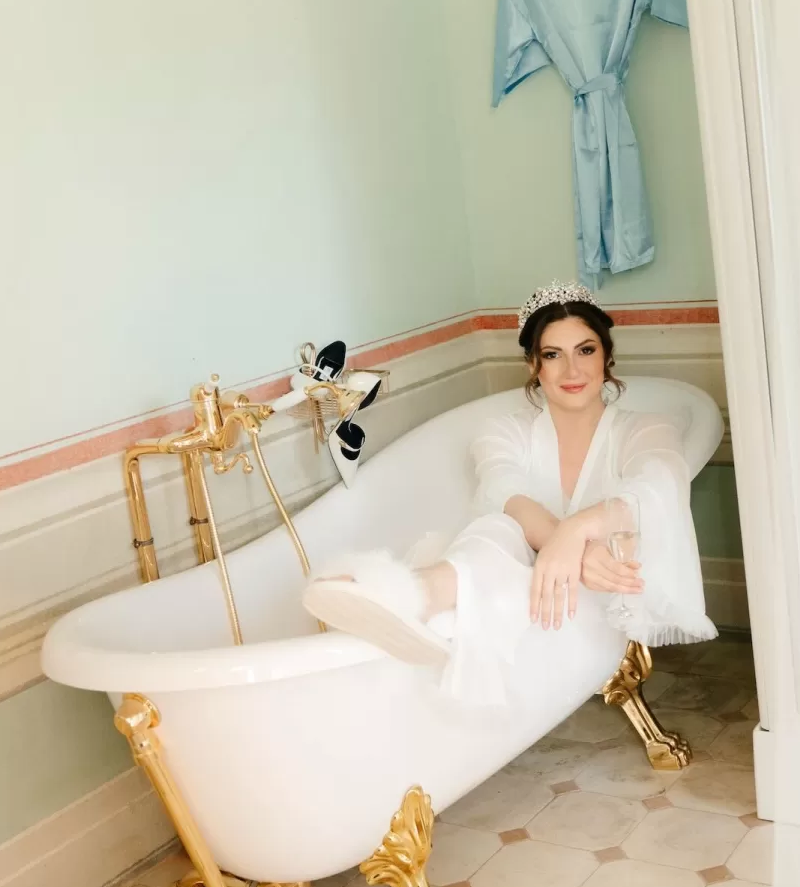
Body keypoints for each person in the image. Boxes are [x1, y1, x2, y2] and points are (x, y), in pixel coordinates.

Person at [303, 282, 716, 704]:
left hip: (604, 593)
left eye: (586, 350)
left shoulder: (647, 428)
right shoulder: (501, 432)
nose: (572, 370)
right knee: (498, 528)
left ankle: (410, 593)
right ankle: (417, 594)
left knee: (499, 544)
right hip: (521, 585)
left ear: (608, 356)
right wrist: (570, 545)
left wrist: (576, 534)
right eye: (553, 355)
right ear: (533, 365)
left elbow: (657, 483)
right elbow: (508, 493)